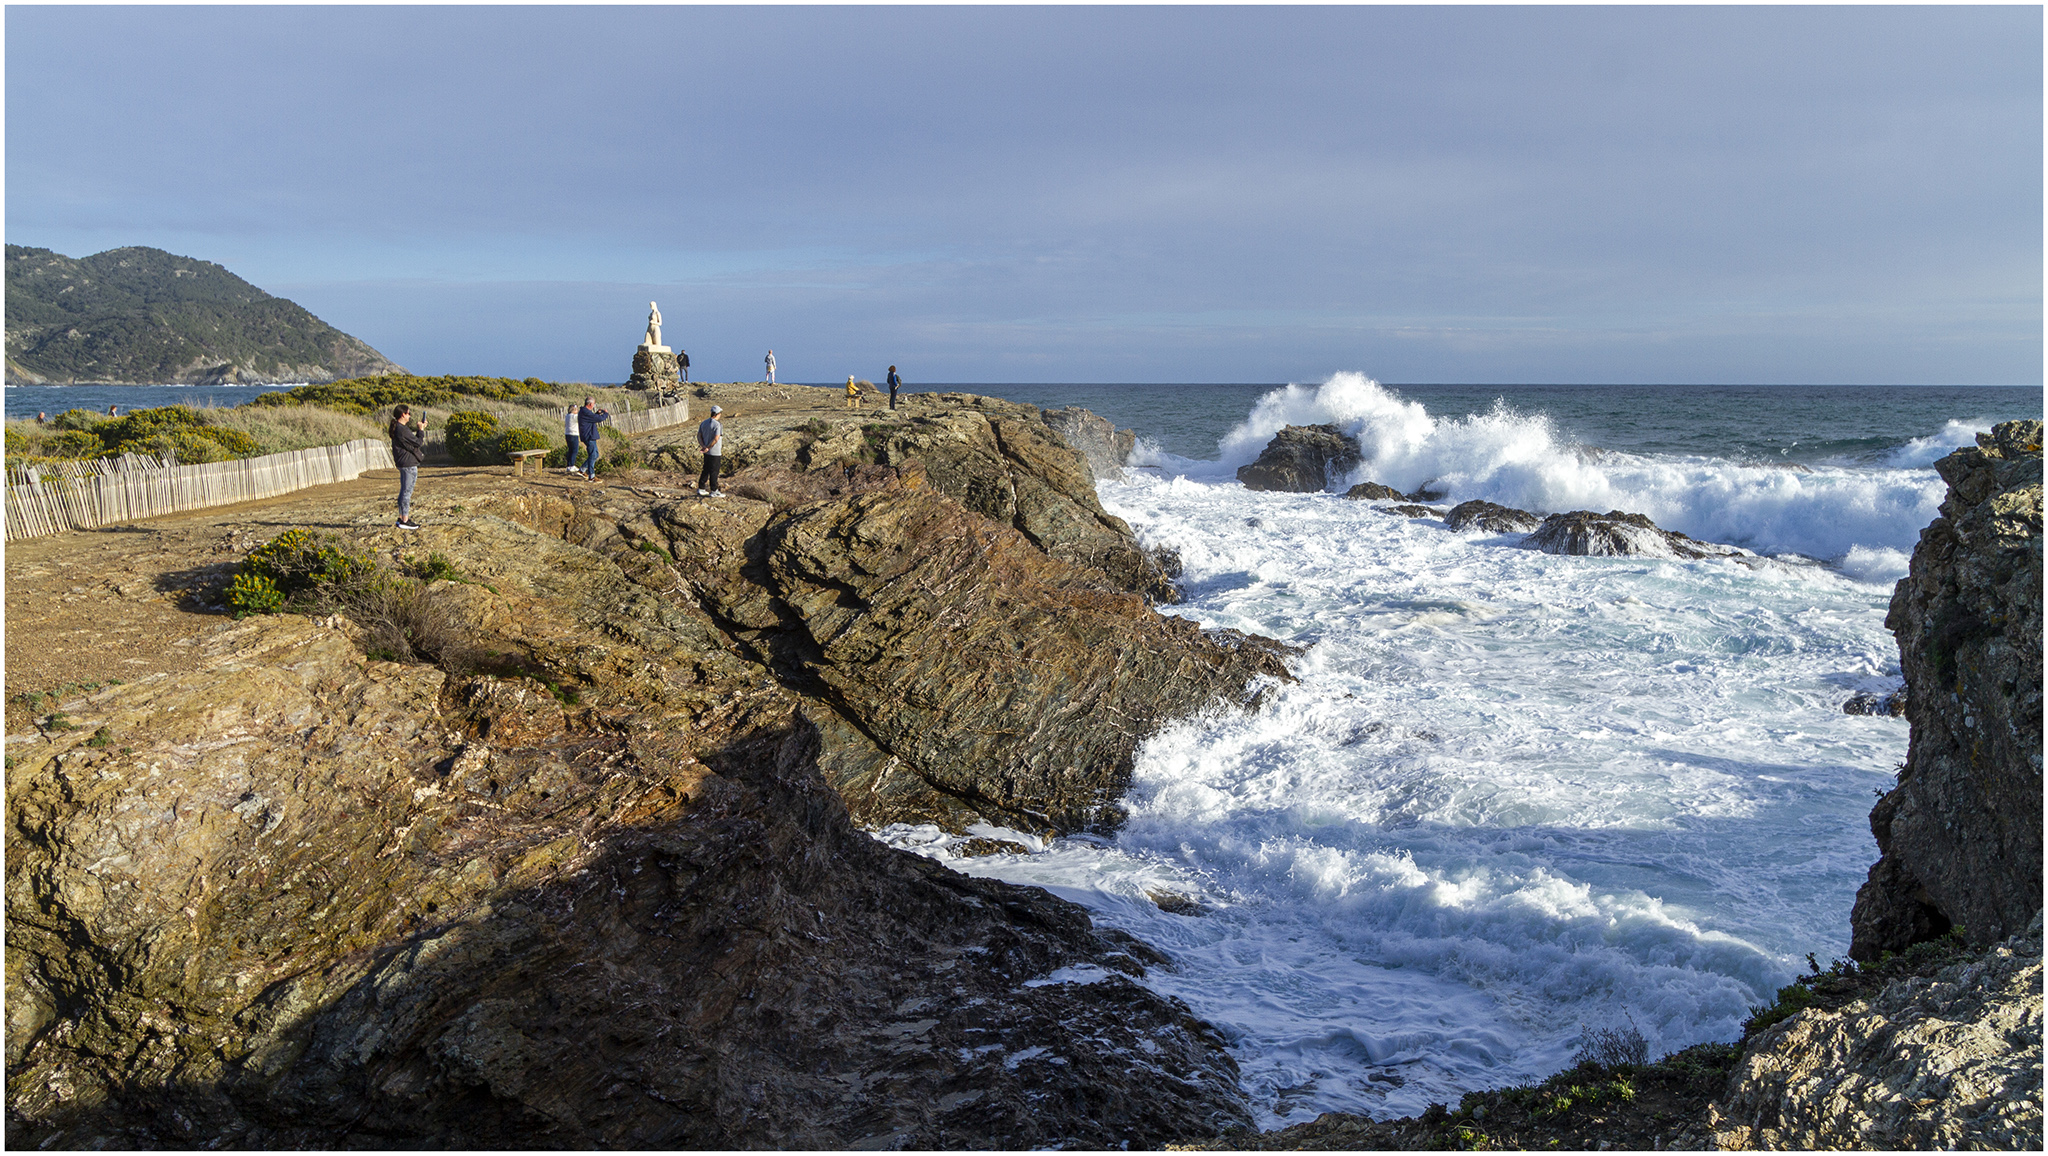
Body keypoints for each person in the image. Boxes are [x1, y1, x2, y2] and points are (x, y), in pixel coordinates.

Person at [390, 404, 427, 529]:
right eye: (408, 413)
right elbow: (418, 442)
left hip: (403, 463)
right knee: (407, 492)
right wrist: (421, 430)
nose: (410, 416)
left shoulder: (398, 429)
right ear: (403, 414)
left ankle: (401, 517)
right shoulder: (402, 429)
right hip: (408, 464)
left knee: (404, 491)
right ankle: (405, 520)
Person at [576, 396, 611, 480]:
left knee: (595, 454)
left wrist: (597, 413)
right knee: (593, 454)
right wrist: (605, 413)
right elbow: (599, 419)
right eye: (594, 404)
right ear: (590, 404)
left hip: (588, 435)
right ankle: (591, 475)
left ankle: (582, 470)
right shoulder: (586, 412)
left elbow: (592, 419)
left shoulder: (584, 412)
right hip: (589, 436)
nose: (594, 406)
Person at [696, 404, 725, 497]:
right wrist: (708, 447)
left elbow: (699, 435)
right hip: (715, 452)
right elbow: (716, 438)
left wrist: (703, 446)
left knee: (706, 469)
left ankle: (701, 488)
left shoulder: (703, 423)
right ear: (718, 414)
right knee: (714, 471)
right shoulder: (718, 425)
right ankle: (714, 490)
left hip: (706, 452)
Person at [562, 406, 581, 473]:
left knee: (570, 450)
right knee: (574, 450)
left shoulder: (567, 416)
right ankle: (571, 465)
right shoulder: (574, 417)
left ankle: (569, 465)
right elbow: (580, 418)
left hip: (567, 434)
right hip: (573, 434)